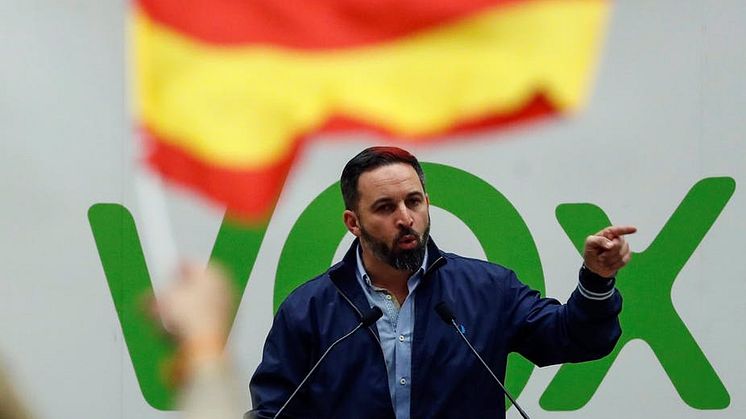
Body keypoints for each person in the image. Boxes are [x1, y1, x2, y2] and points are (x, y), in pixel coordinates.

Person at [249, 146, 636, 419]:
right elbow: (275, 407)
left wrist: (597, 280)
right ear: (353, 223)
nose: (405, 217)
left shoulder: (487, 290)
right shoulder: (311, 308)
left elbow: (575, 337)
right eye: (385, 207)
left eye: (413, 202)